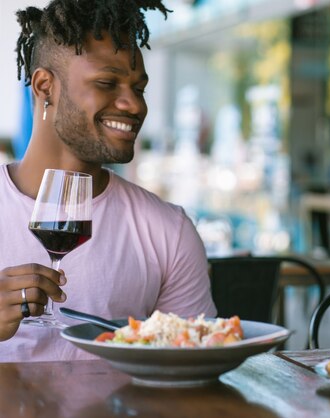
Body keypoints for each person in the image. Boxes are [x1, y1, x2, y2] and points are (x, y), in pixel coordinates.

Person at [0, 0, 217, 362]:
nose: (134, 105)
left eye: (140, 88)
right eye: (106, 82)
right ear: (44, 87)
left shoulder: (168, 231)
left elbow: (195, 369)